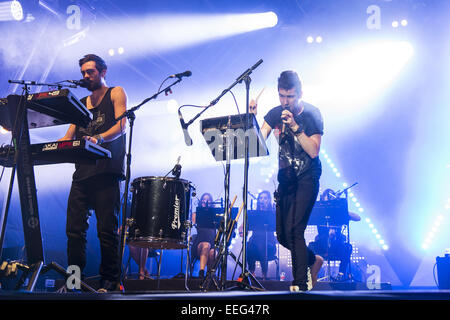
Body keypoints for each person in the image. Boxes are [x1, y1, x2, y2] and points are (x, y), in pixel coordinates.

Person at [59, 54, 127, 292]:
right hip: (82, 175)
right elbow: (68, 137)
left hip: (106, 171)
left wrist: (98, 137)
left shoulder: (115, 93)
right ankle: (73, 281)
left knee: (106, 230)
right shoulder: (81, 102)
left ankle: (109, 282)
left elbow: (121, 125)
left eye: (91, 72)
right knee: (74, 231)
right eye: (83, 73)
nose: (86, 76)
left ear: (103, 72)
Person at [251, 70, 323, 291]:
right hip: (287, 179)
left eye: (290, 96)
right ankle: (313, 261)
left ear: (299, 94)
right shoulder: (274, 114)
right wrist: (252, 118)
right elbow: (256, 145)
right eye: (282, 95)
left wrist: (294, 126)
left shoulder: (312, 114)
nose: (285, 101)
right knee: (283, 236)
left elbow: (313, 151)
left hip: (307, 176)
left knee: (295, 229)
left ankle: (300, 283)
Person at [308, 188, 359, 281]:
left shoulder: (339, 213)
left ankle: (341, 274)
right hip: (322, 244)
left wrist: (343, 210)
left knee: (348, 247)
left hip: (337, 245)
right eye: (327, 196)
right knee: (310, 247)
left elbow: (358, 218)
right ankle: (311, 275)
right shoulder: (319, 211)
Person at [241, 190, 277, 280]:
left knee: (261, 245)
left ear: (269, 200)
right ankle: (251, 273)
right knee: (249, 246)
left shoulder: (273, 213)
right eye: (261, 198)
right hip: (254, 243)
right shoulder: (253, 214)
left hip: (269, 245)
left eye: (265, 198)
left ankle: (264, 274)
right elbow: (243, 227)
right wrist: (242, 230)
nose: (262, 200)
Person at [191, 193, 217, 280]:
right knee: (206, 245)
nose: (206, 201)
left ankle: (209, 275)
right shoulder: (196, 213)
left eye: (208, 200)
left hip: (212, 241)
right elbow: (192, 225)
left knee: (213, 253)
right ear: (201, 201)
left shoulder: (215, 214)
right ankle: (201, 272)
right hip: (200, 242)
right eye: (204, 199)